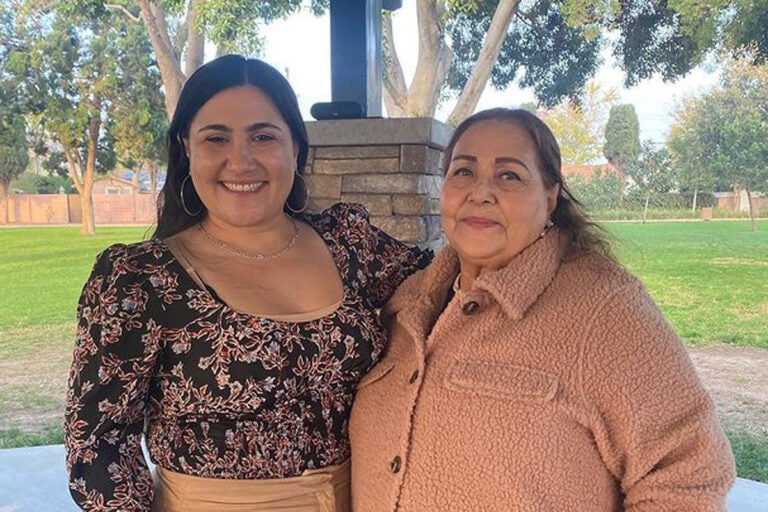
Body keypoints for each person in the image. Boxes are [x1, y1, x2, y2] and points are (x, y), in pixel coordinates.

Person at [64, 54, 430, 512]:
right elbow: (98, 439)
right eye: (216, 138)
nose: (241, 160)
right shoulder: (141, 279)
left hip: (365, 497)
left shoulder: (348, 244)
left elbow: (448, 293)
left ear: (295, 148)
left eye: (264, 136)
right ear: (187, 148)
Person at [349, 108, 735, 511]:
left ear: (550, 198)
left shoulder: (605, 309)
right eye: (463, 171)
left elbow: (689, 477)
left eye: (509, 175)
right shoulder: (408, 303)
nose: (480, 192)